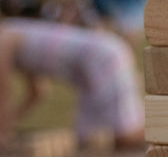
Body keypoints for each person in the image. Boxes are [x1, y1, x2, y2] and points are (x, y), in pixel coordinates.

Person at [0, 18, 145, 149]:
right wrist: (9, 124)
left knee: (126, 135)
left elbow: (4, 91)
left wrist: (4, 128)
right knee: (85, 137)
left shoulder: (4, 39)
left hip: (104, 59)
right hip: (88, 71)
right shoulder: (15, 31)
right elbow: (37, 92)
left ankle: (164, 135)